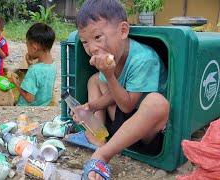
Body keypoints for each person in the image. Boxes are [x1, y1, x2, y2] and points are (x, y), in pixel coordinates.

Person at [71, 0, 170, 179]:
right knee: (94, 80)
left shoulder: (143, 59)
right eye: (85, 42)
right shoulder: (110, 57)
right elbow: (111, 94)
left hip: (144, 130)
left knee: (157, 103)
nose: (92, 48)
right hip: (119, 121)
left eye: (97, 37)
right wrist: (90, 107)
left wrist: (109, 75)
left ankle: (103, 154)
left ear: (123, 31)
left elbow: (127, 106)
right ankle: (97, 135)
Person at [11, 23, 56, 106]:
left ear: (34, 48)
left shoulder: (34, 70)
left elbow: (29, 98)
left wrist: (16, 83)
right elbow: (40, 81)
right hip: (43, 105)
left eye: (27, 46)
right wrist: (30, 64)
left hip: (26, 108)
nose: (27, 49)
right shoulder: (53, 64)